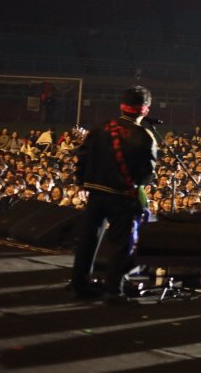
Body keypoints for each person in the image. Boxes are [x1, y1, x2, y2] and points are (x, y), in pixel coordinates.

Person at [69, 85, 159, 301]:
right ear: (145, 110)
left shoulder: (101, 128)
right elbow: (146, 174)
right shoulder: (145, 136)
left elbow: (82, 157)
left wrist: (82, 183)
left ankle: (79, 284)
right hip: (122, 196)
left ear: (122, 106)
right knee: (121, 244)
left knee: (88, 239)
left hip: (96, 193)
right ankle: (112, 290)